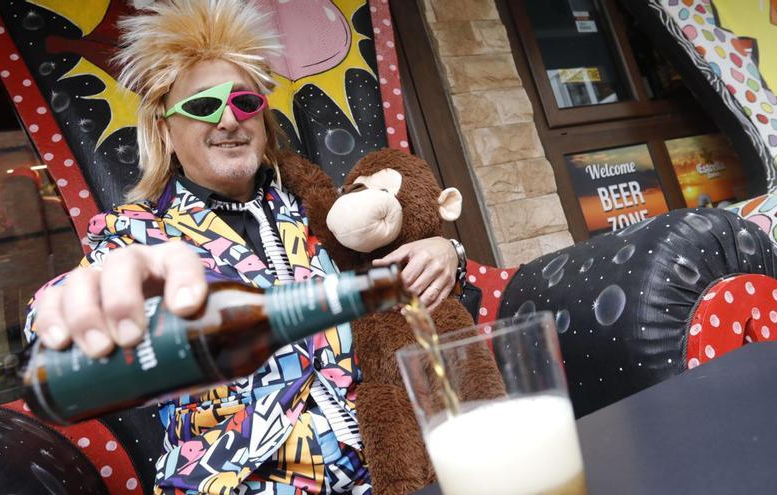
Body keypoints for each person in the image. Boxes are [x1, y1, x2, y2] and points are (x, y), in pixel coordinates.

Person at [27, 0, 465, 493]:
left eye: (245, 102)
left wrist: (447, 253)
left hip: (394, 466)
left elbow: (396, 276)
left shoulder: (323, 210)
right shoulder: (132, 237)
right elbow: (69, 320)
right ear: (166, 131)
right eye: (201, 105)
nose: (228, 119)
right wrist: (71, 311)